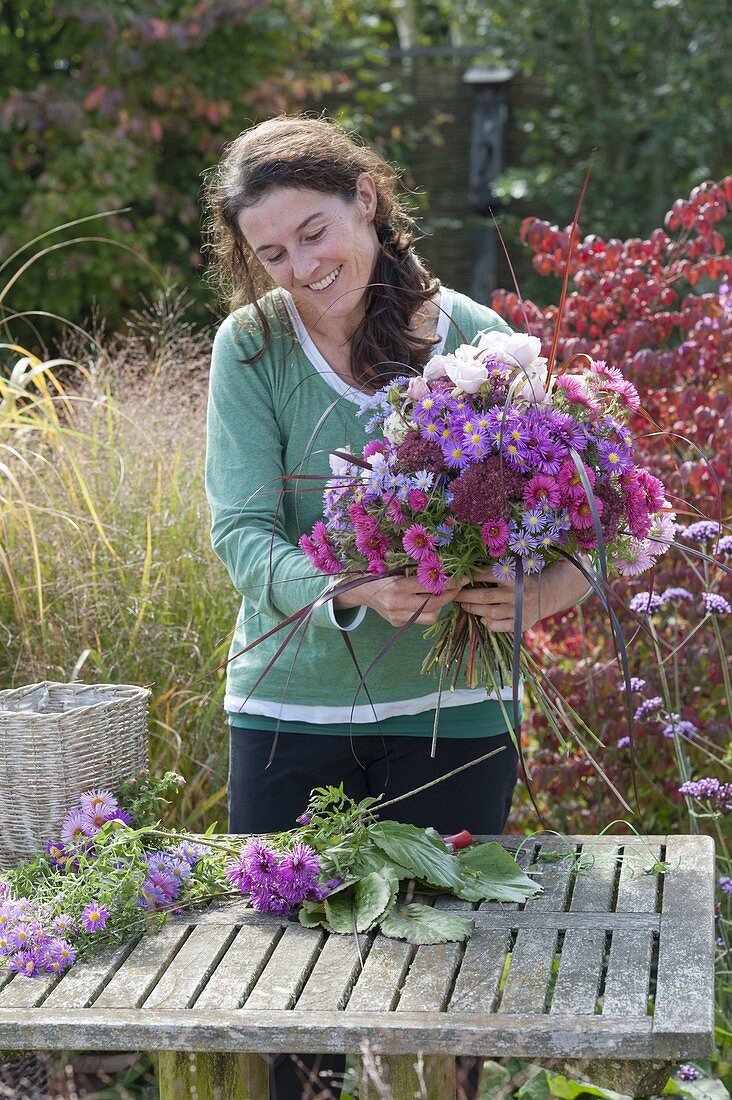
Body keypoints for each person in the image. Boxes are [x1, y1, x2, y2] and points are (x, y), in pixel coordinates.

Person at [203, 114, 591, 1100]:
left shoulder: (483, 345)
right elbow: (242, 530)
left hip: (453, 717)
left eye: (315, 231)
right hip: (289, 715)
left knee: (435, 1005)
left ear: (365, 201)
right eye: (273, 251)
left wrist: (535, 594)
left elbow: (595, 524)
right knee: (285, 1003)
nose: (301, 265)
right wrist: (351, 588)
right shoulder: (250, 350)